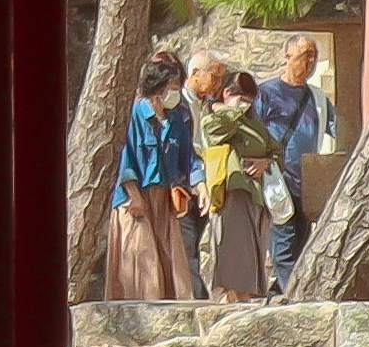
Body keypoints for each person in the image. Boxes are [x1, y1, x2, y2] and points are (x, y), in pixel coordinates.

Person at [248, 35, 336, 290]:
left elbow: (337, 128)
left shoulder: (318, 99)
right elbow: (253, 133)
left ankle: (283, 292)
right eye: (304, 55)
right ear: (288, 57)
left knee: (302, 243)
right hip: (277, 177)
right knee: (284, 244)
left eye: (313, 56)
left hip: (307, 181)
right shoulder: (266, 94)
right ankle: (295, 296)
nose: (309, 62)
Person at [195, 52, 281, 301]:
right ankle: (230, 295)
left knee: (254, 250)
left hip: (255, 194)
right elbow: (214, 133)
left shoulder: (255, 125)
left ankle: (246, 295)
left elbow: (275, 150)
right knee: (232, 249)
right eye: (240, 97)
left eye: (248, 99)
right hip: (230, 190)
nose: (244, 104)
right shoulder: (212, 118)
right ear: (226, 93)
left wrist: (266, 162)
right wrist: (229, 110)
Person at [115, 52, 195, 300]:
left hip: (164, 198)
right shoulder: (135, 115)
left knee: (171, 264)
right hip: (135, 199)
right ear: (158, 89)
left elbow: (189, 157)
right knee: (142, 263)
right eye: (172, 88)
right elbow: (125, 156)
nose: (176, 93)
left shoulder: (175, 119)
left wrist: (200, 183)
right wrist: (134, 195)